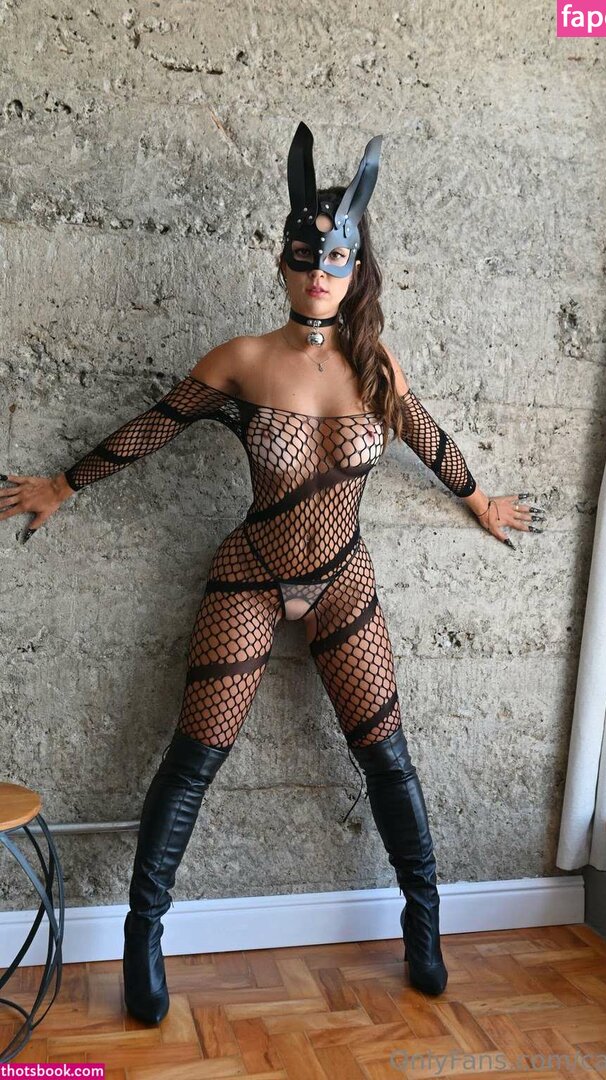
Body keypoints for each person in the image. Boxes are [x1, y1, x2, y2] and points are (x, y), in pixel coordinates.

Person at [0, 122, 546, 1023]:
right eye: (307, 255)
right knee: (194, 758)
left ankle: (424, 923)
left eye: (338, 257)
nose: (321, 271)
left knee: (387, 756)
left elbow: (426, 437)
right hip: (251, 574)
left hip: (343, 581)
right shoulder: (242, 361)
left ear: (354, 266)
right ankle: (143, 936)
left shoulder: (375, 365)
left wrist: (480, 498)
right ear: (282, 261)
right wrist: (62, 484)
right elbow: (153, 427)